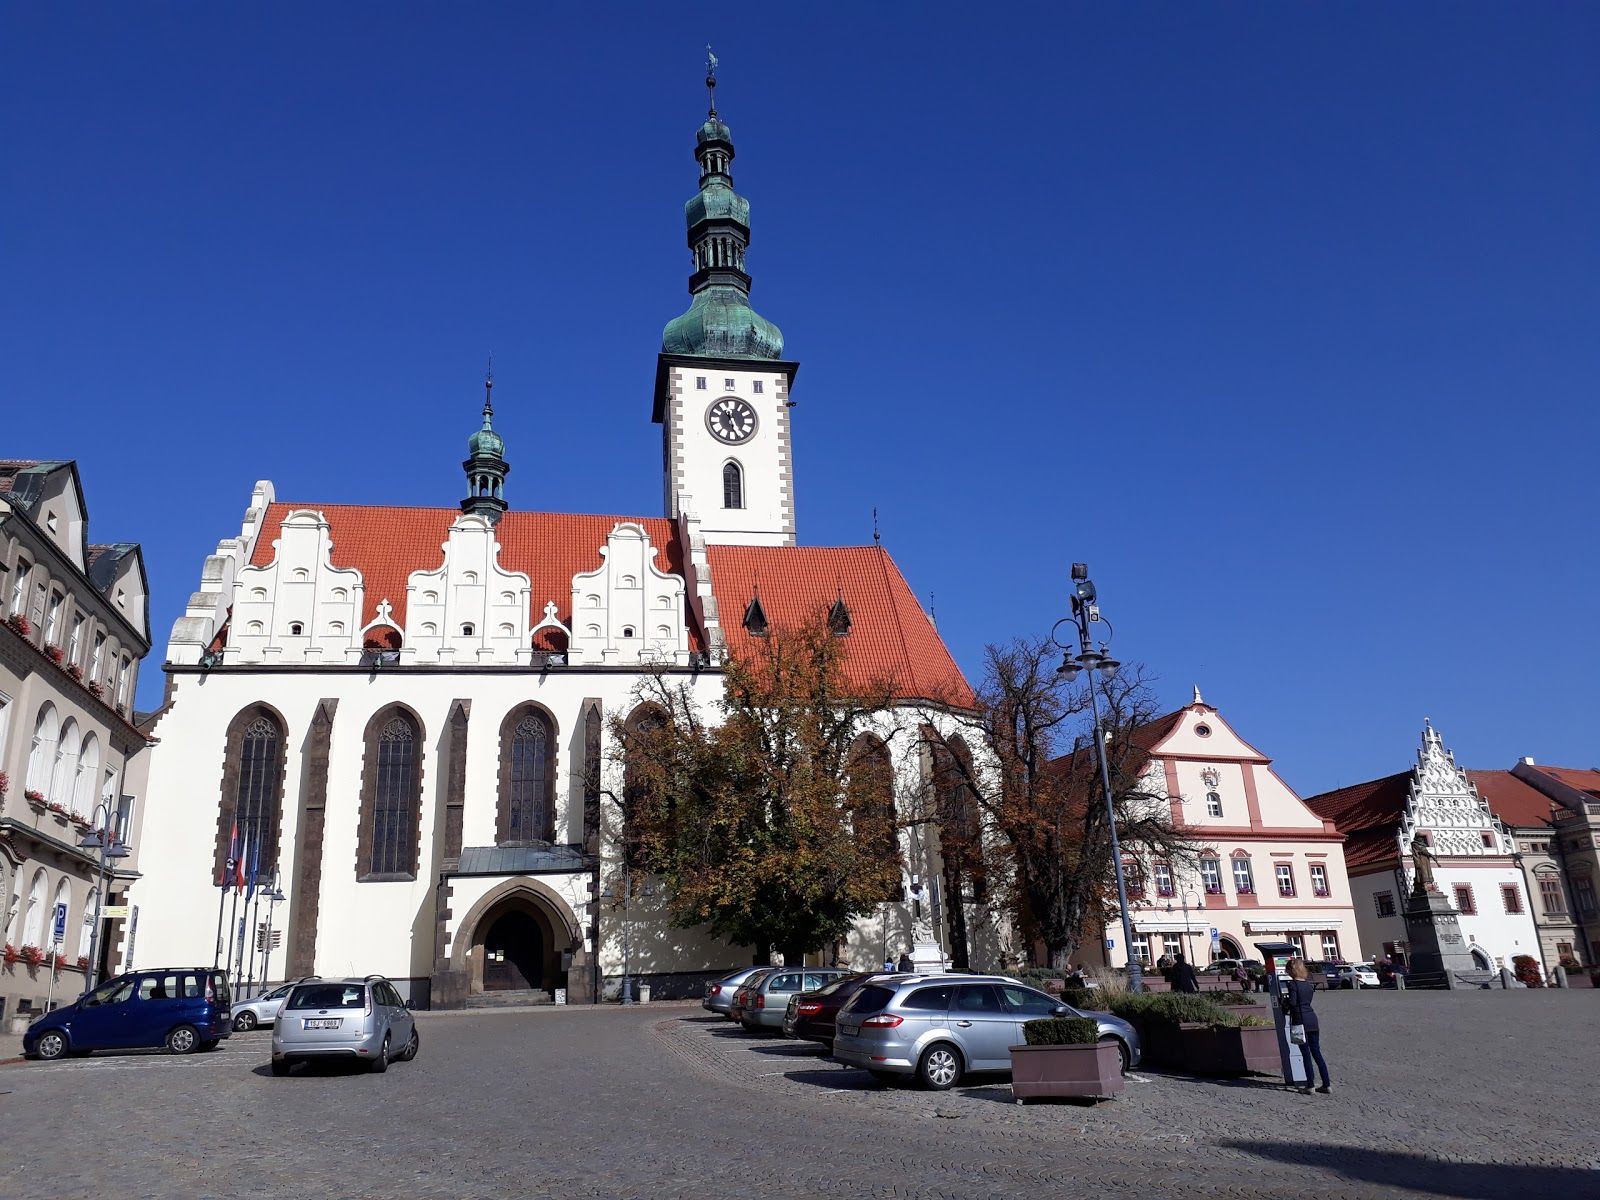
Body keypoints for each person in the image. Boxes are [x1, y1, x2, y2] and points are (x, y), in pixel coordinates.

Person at [1283, 957, 1331, 1094]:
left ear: (1292, 970)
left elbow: (1292, 1003)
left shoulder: (1292, 985)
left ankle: (1310, 1085)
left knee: (1305, 1054)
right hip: (1312, 1019)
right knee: (1317, 1053)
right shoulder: (1308, 985)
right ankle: (1326, 1084)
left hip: (1300, 1021)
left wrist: (1284, 1003)